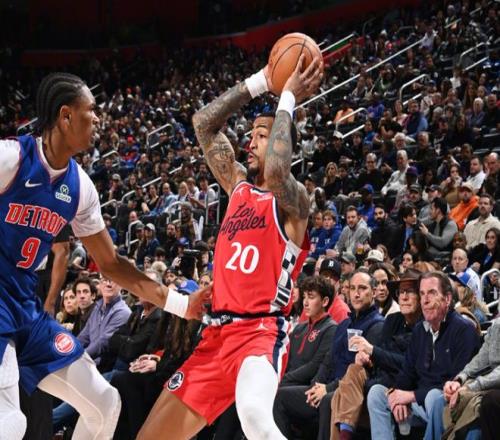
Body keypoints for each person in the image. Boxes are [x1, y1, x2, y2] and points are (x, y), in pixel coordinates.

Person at [0, 72, 208, 439]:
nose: (98, 118)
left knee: (105, 404)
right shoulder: (11, 158)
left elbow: (111, 264)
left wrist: (181, 304)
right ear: (66, 116)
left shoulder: (80, 187)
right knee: (11, 424)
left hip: (24, 309)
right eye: (91, 110)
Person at [138, 56, 323, 440]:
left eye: (262, 135)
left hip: (260, 332)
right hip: (216, 336)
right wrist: (261, 81)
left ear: (284, 143)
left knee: (254, 417)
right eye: (251, 135)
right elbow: (203, 123)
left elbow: (277, 172)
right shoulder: (238, 186)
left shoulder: (295, 203)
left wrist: (287, 98)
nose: (250, 142)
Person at [367, 272, 480, 439]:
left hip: (445, 404)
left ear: (447, 299)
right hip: (418, 402)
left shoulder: (464, 330)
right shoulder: (421, 329)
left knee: (434, 397)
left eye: (432, 293)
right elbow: (407, 371)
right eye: (422, 294)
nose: (425, 300)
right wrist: (398, 394)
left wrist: (411, 396)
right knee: (377, 393)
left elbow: (455, 384)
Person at [273, 270, 384, 440]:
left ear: (374, 292)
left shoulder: (378, 326)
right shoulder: (344, 324)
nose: (356, 293)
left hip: (348, 393)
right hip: (326, 387)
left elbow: (362, 374)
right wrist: (316, 385)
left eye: (362, 288)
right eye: (352, 288)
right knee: (280, 397)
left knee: (327, 400)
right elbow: (328, 361)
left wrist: (327, 389)